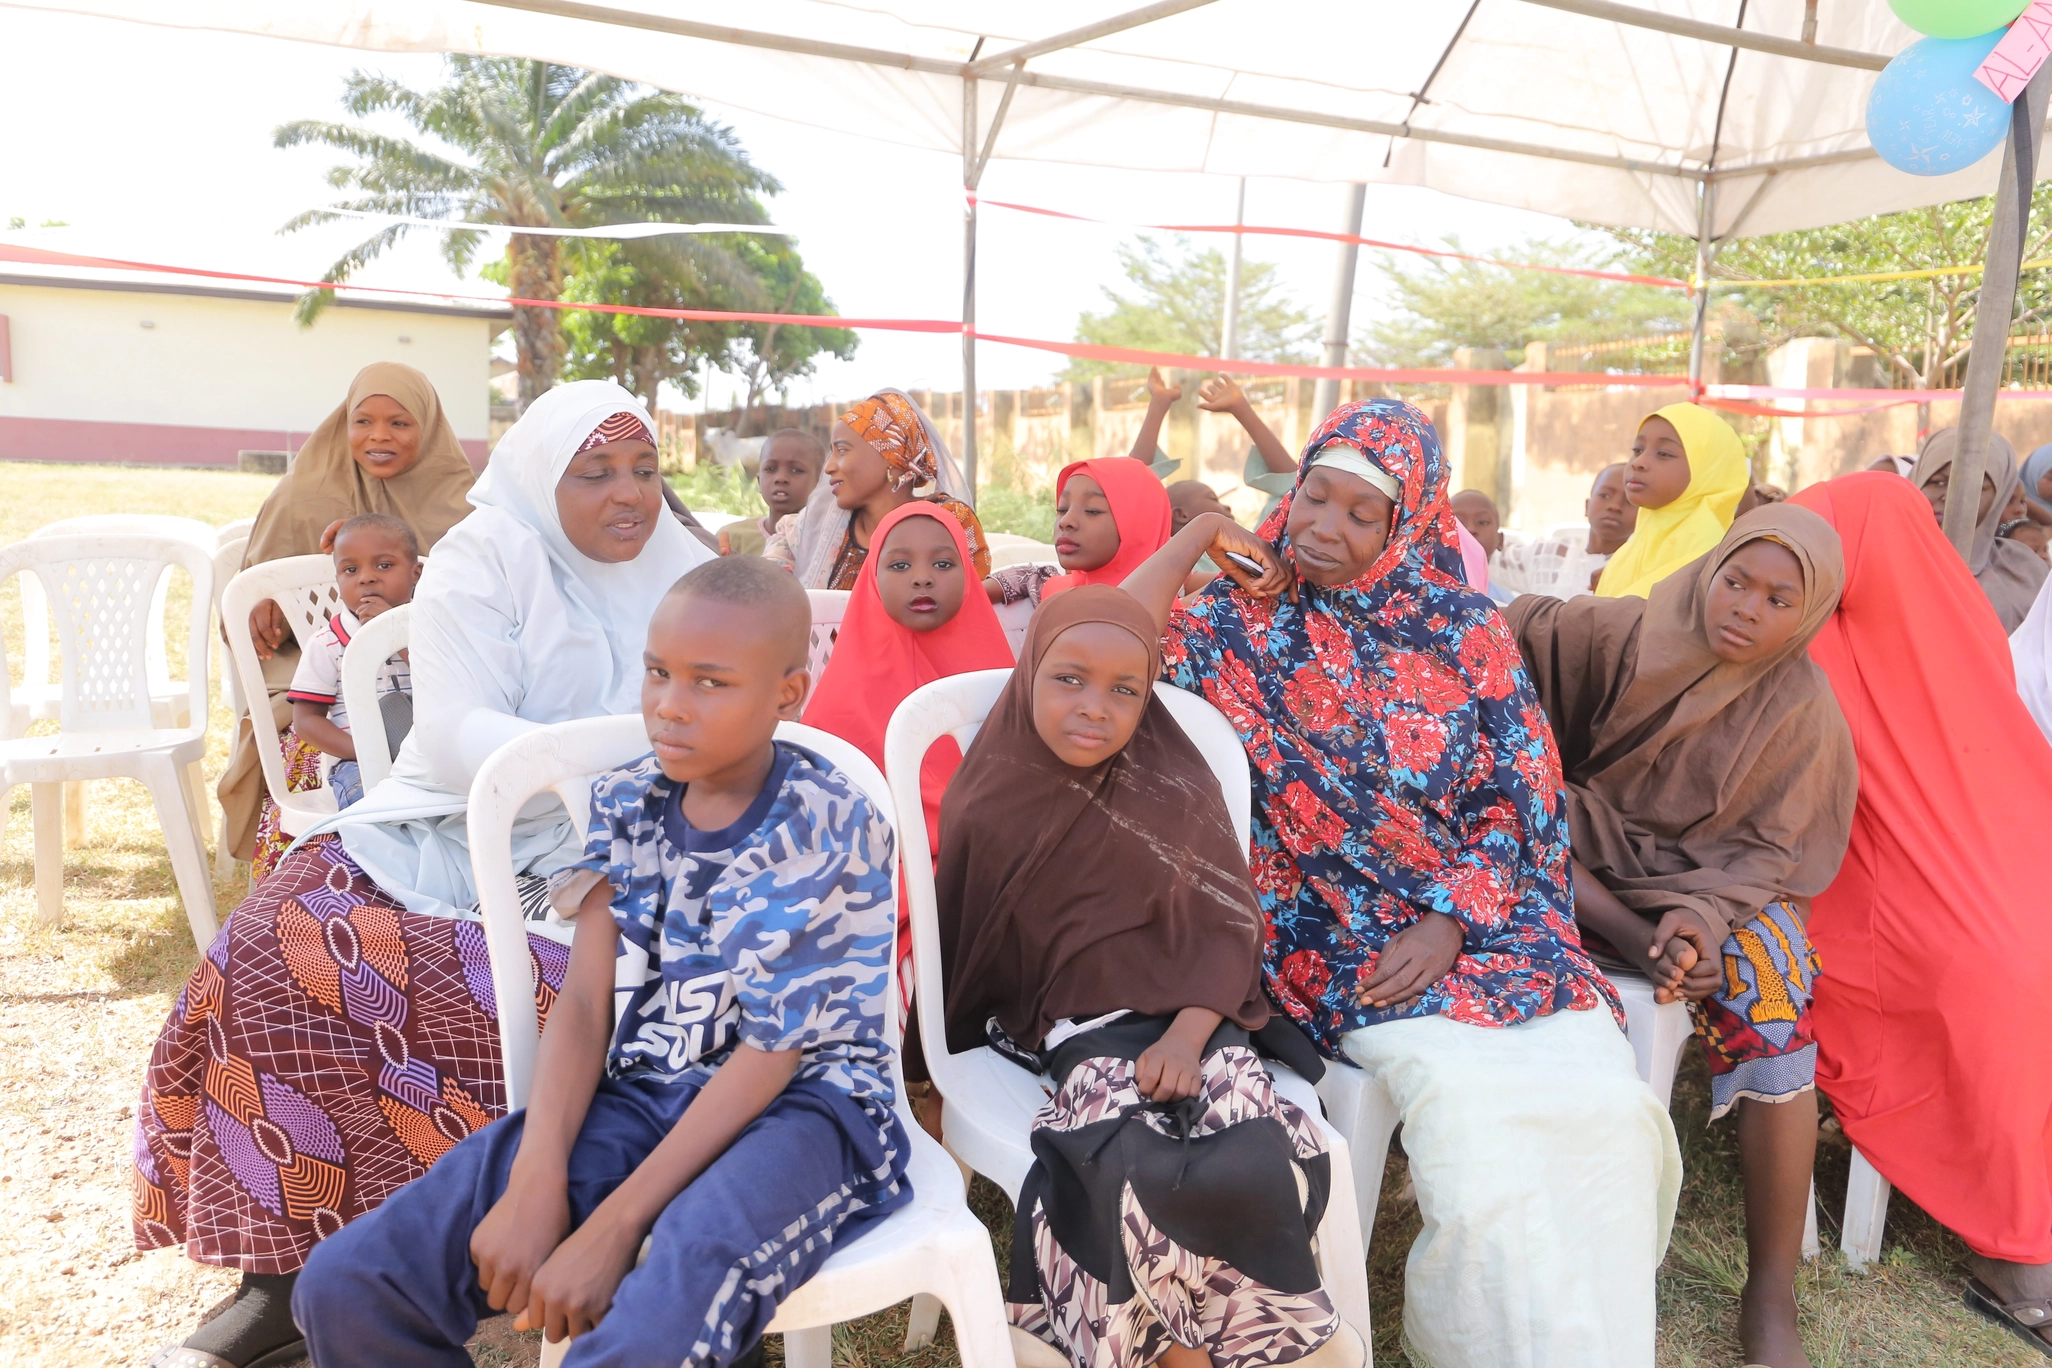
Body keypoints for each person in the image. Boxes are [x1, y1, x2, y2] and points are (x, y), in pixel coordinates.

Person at [132, 381, 713, 1368]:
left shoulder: (690, 572)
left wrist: (610, 784)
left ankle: (484, 1245)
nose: (629, 493)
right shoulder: (481, 560)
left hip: (618, 848)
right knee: (271, 947)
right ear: (540, 479)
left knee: (549, 987)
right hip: (440, 824)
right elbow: (448, 734)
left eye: (646, 469)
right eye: (595, 472)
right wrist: (580, 760)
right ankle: (281, 1275)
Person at [1124, 398, 1681, 1367]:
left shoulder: (1462, 626)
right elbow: (1097, 640)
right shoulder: (1233, 620)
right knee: (1475, 1117)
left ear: (1406, 521)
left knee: (1611, 1111)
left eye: (1361, 513)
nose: (1324, 528)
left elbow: (1519, 795)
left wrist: (1452, 922)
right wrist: (1200, 533)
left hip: (1488, 922)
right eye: (1314, 497)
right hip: (1332, 929)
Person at [294, 556, 905, 1366]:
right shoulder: (630, 800)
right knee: (350, 1283)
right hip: (649, 1091)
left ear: (787, 694)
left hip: (810, 1111)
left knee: (656, 1317)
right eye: (657, 673)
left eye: (710, 683)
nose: (669, 706)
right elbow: (585, 1004)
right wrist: (536, 1180)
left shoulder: (826, 824)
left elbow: (773, 1053)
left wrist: (613, 1227)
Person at [936, 584, 1359, 1368]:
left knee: (1251, 1147)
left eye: (1124, 691)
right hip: (1082, 1032)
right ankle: (1177, 1353)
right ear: (1029, 674)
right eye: (1069, 679)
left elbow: (1228, 930)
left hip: (1202, 1017)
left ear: (1147, 700)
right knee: (1124, 1160)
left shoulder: (1174, 788)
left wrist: (1188, 1038)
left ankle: (1242, 1344)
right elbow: (974, 950)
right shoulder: (989, 801)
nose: (1093, 707)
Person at [1507, 508, 1854, 1368]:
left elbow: (1771, 852)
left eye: (1779, 599)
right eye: (1737, 581)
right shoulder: (1619, 632)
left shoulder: (1803, 706)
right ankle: (1631, 937)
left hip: (1720, 883)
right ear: (1711, 569)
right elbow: (1508, 634)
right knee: (1509, 823)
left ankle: (1770, 1292)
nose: (1747, 608)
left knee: (1770, 978)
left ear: (1807, 614)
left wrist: (1701, 922)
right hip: (1583, 856)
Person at [1786, 471, 2052, 1357]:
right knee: (2005, 970)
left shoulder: (1811, 640)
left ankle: (2020, 1256)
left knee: (1995, 975)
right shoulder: (1963, 618)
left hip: (1906, 903)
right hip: (1988, 881)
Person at [221, 361, 477, 875]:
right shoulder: (304, 495)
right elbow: (246, 622)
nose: (379, 436)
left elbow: (479, 603)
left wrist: (373, 538)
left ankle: (443, 876)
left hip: (434, 676)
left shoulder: (462, 503)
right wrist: (270, 611)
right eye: (363, 422)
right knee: (309, 757)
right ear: (345, 423)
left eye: (400, 423)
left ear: (428, 427)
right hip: (320, 687)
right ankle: (326, 879)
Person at [803, 502, 1013, 1034]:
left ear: (969, 573)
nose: (922, 577)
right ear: (871, 578)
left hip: (985, 881)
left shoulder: (1001, 684)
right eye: (899, 565)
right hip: (881, 886)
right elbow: (822, 820)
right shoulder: (844, 694)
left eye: (943, 563)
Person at [766, 389, 989, 590]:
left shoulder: (948, 521)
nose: (829, 467)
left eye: (842, 451)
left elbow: (973, 601)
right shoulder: (812, 527)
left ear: (891, 457)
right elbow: (766, 588)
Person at [284, 512, 423, 810]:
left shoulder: (431, 630)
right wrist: (367, 752)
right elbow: (306, 721)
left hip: (429, 755)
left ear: (416, 574)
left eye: (384, 565)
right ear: (337, 579)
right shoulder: (327, 643)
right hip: (357, 762)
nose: (366, 577)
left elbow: (444, 680)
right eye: (350, 569)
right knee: (371, 805)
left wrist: (393, 631)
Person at [1597, 403, 1750, 600]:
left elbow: (1630, 613)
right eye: (1637, 450)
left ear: (1706, 470)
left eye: (1664, 454)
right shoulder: (1638, 542)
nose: (1638, 463)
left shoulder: (1705, 552)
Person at [1910, 427, 2049, 633]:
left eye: (1976, 486)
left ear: (1999, 497)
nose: (1952, 496)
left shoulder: (2026, 569)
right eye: (1938, 482)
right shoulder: (1885, 563)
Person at [986, 457, 1173, 609]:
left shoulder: (1173, 626)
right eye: (1062, 509)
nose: (1065, 521)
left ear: (1140, 526)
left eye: (1092, 510)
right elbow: (1027, 577)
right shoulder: (1055, 592)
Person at [719, 428, 823, 557]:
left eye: (796, 470)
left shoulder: (827, 542)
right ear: (759, 482)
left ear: (820, 484)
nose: (780, 478)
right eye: (771, 469)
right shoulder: (732, 537)